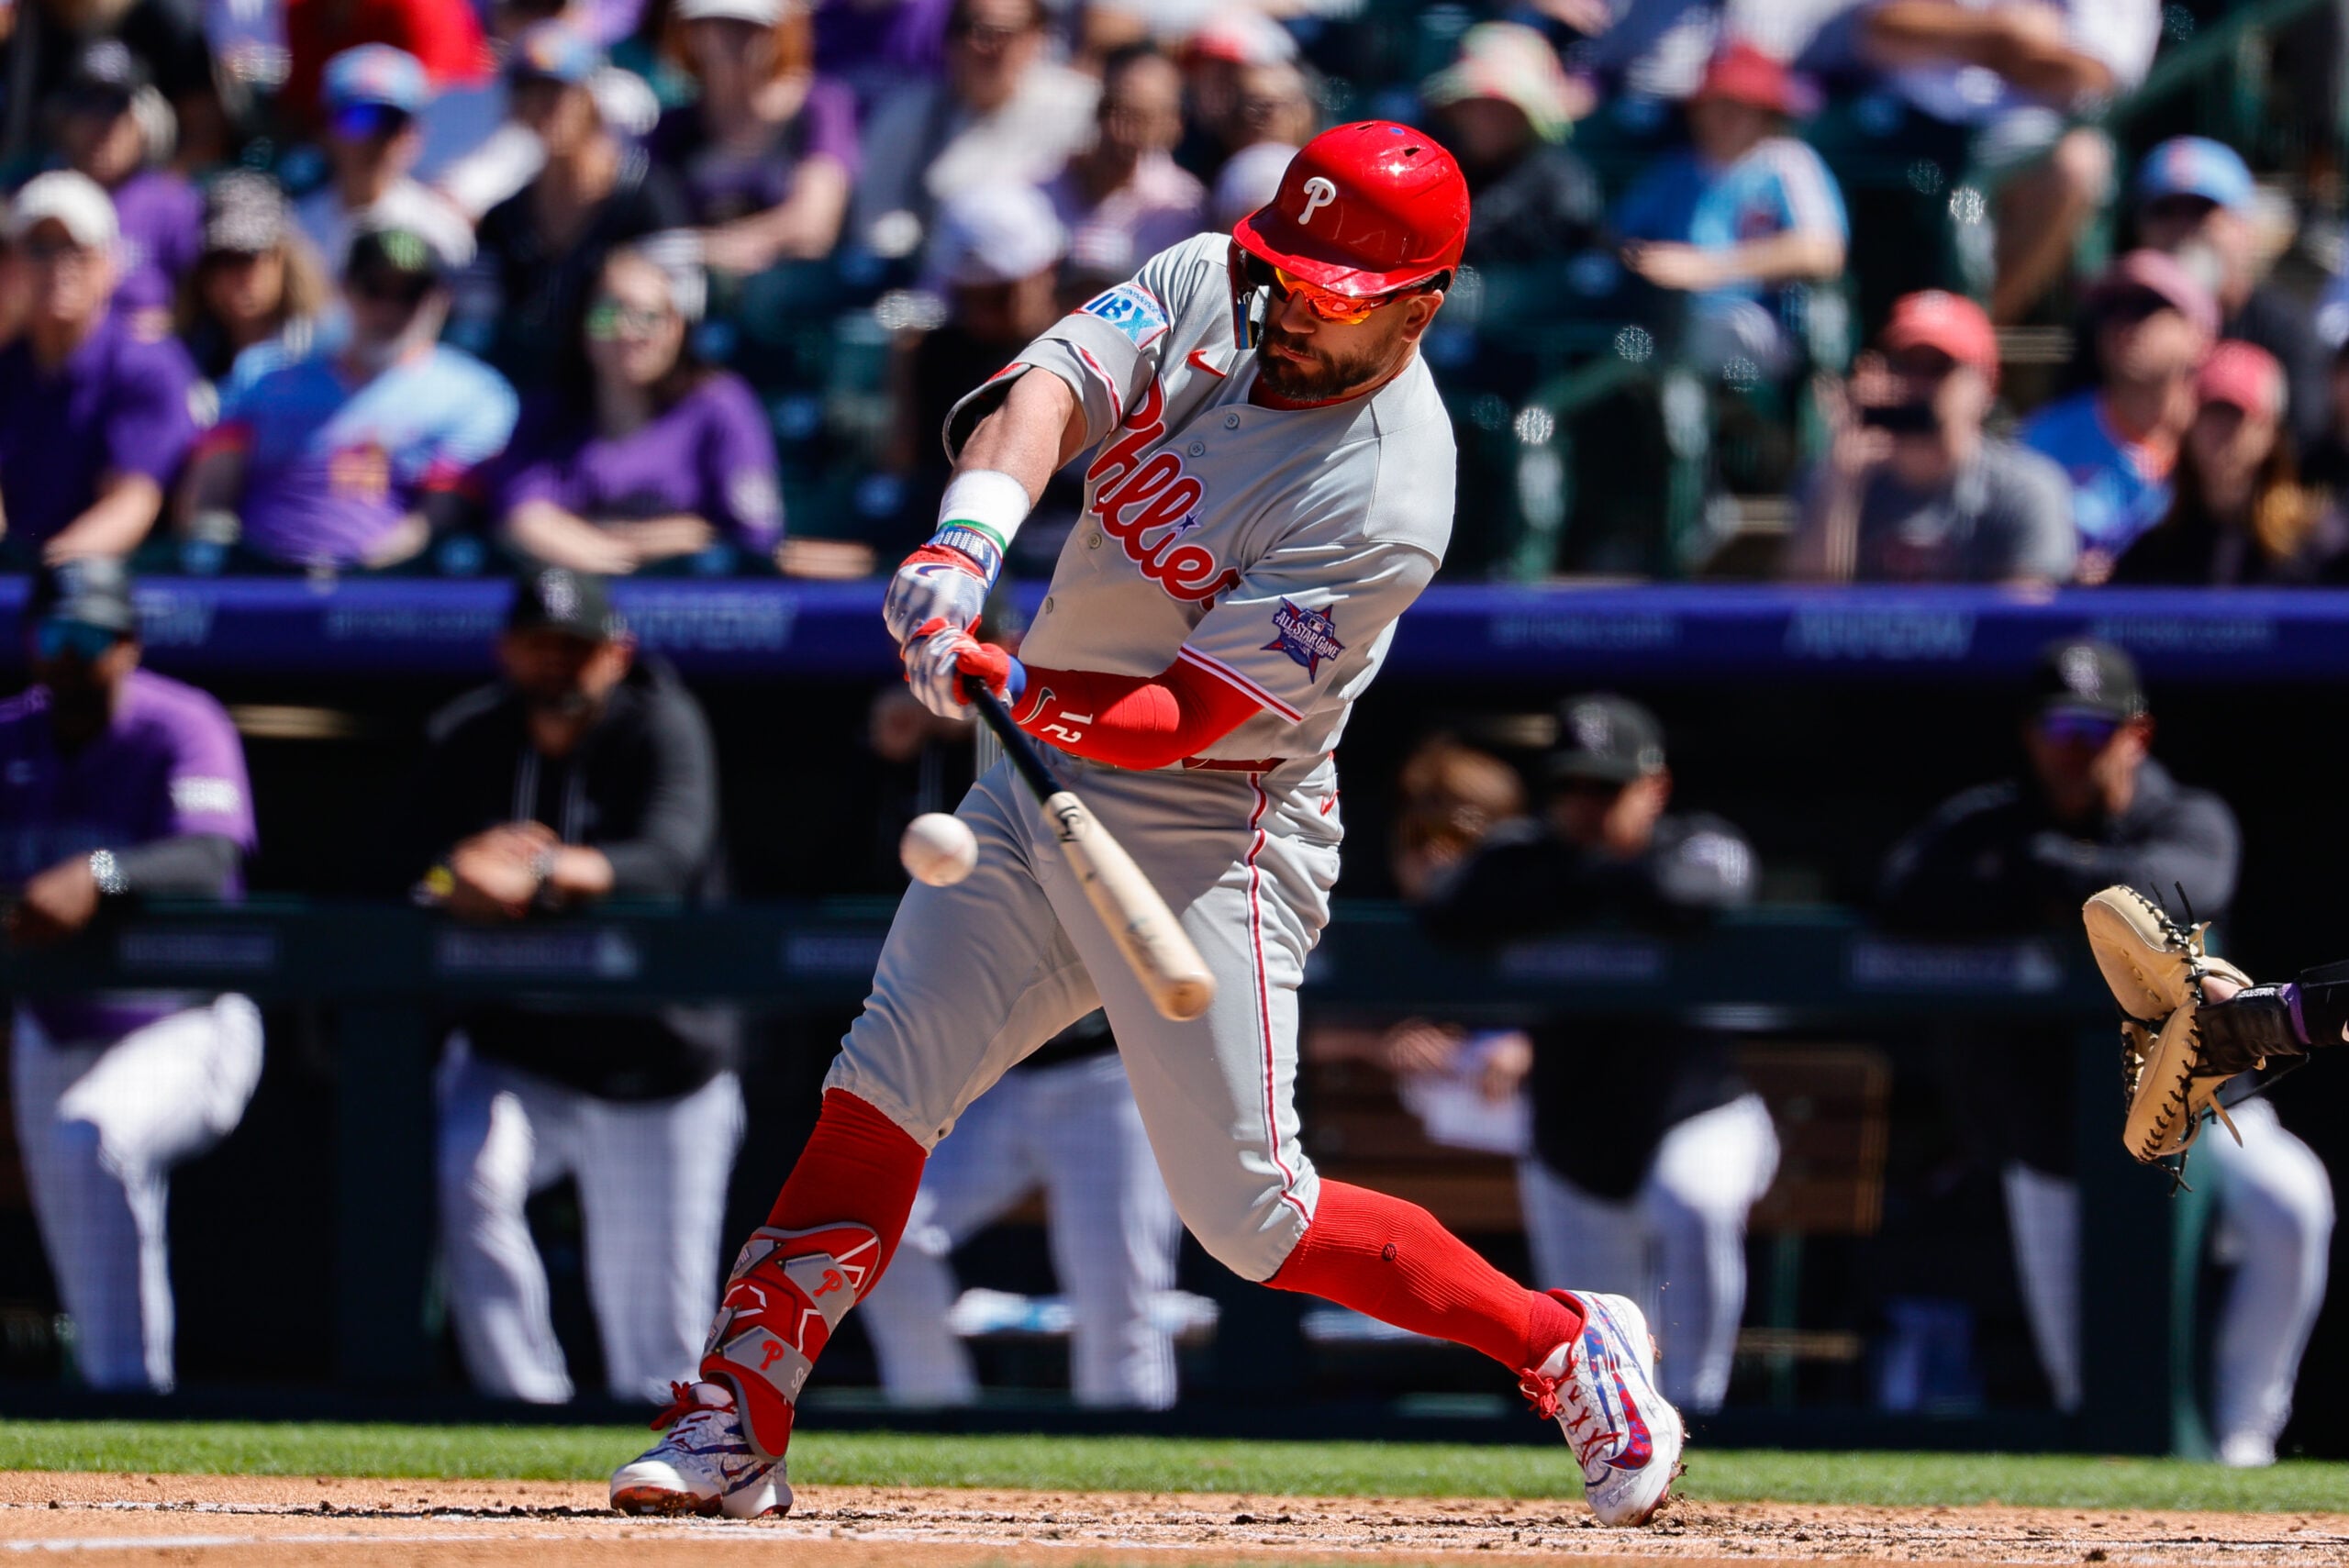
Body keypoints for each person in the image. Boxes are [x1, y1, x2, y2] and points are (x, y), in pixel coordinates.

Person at [609, 122, 1687, 1530]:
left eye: (1337, 301)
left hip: (1212, 825)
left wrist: (999, 676)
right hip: (1026, 783)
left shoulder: (1391, 494)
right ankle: (734, 1417)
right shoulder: (1202, 285)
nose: (1293, 316)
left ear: (1422, 308)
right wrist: (966, 545)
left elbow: (1176, 717)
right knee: (882, 1084)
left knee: (1252, 1217)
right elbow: (1048, 389)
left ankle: (1563, 1346)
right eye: (1282, 279)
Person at [1876, 640, 2328, 1464]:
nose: (2074, 748)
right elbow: (1902, 889)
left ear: (2137, 734)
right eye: (2058, 727)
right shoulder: (1993, 816)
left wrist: (2041, 878)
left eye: (2095, 728)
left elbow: (2178, 886)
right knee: (2085, 1384)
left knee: (2292, 1200)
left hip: (2210, 1115)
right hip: (2053, 1133)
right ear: (2029, 735)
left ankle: (2244, 1437)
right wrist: (2049, 874)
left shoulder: (2186, 813)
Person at [410, 567, 740, 1405]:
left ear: (616, 654)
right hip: (523, 1050)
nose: (556, 664)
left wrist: (545, 870)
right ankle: (526, 1407)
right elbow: (406, 868)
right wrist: (458, 872)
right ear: (506, 651)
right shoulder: (468, 734)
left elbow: (668, 861)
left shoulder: (663, 723)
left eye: (577, 648)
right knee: (467, 1172)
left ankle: (666, 1492)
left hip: (659, 1064)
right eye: (538, 646)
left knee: (657, 1347)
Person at [1418, 695, 1776, 1416]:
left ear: (1655, 787)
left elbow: (1706, 885)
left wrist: (1597, 884)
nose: (1583, 806)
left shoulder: (1692, 838)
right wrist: (1584, 882)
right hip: (1573, 1135)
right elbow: (1448, 902)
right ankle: (1631, 1445)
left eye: (1604, 788)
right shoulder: (1523, 855)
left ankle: (1701, 1413)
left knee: (1697, 1201)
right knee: (1598, 1338)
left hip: (1697, 1110)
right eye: (1569, 788)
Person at [1, 560, 262, 1393]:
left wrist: (102, 871)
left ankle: (134, 1401)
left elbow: (209, 855)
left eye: (93, 638)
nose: (72, 657)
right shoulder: (13, 734)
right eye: (56, 636)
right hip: (53, 1022)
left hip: (186, 1018)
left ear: (129, 645)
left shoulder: (181, 722)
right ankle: (116, 1419)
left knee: (94, 1134)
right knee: (82, 1225)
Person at [854, 1009, 1184, 1408]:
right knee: (885, 1233)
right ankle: (937, 1431)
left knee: (1118, 1295)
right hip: (991, 1073)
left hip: (1108, 1069)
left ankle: (1129, 1459)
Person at [176, 227, 518, 570]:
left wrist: (354, 581)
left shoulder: (475, 394)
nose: (388, 309)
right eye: (374, 289)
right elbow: (209, 495)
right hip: (257, 579)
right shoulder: (263, 374)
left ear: (440, 299)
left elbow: (436, 522)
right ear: (343, 290)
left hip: (390, 591)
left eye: (409, 293)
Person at [1855, 0, 2160, 323]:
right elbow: (1883, 28)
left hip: (2025, 145)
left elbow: (2091, 75)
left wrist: (1963, 37)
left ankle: (1971, 332)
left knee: (2076, 164)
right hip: (1909, 131)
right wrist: (2006, 37)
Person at [496, 246, 784, 573]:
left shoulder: (721, 404)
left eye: (648, 317)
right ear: (582, 327)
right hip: (576, 609)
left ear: (676, 329)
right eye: (607, 314)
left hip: (695, 607)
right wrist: (632, 543)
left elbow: (755, 535)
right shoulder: (548, 411)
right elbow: (522, 520)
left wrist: (581, 531)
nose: (627, 330)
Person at [1783, 289, 2074, 583]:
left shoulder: (2026, 490)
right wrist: (1840, 490)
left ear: (1985, 387)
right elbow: (1808, 618)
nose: (1919, 384)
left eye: (1937, 368)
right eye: (1905, 365)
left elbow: (2023, 621)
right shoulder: (1832, 479)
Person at [471, 20, 694, 389]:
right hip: (533, 401)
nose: (543, 105)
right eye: (528, 89)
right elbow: (479, 330)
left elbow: (681, 313)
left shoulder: (646, 197)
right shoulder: (504, 217)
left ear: (591, 97)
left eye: (558, 89)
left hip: (632, 397)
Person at [1613, 40, 1845, 375]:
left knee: (1701, 338)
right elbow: (1621, 235)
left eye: (1739, 105)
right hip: (1666, 317)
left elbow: (1824, 251)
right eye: (1715, 104)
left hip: (1761, 322)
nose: (1724, 117)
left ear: (1765, 112)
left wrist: (1711, 268)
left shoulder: (1788, 163)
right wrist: (1646, 259)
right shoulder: (1675, 169)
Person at [0, 172, 198, 564]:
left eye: (76, 249)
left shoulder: (147, 366)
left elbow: (132, 503)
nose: (59, 265)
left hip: (120, 594)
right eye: (40, 249)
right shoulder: (8, 364)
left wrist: (41, 578)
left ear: (110, 264)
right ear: (14, 265)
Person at [2021, 250, 2216, 580]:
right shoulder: (2043, 439)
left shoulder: (2228, 433)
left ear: (2198, 334)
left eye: (2145, 308)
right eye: (2111, 310)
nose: (2124, 325)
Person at [852, 0, 1097, 261]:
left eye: (1008, 33)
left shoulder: (1081, 109)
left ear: (1039, 39)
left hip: (1051, 278)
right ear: (950, 40)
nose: (993, 48)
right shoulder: (907, 112)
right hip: (934, 281)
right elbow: (876, 222)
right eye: (978, 31)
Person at [2127, 138, 2328, 453]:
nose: (2183, 228)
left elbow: (2305, 450)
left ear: (2243, 228)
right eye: (2164, 210)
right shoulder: (2114, 323)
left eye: (2201, 210)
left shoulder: (2286, 329)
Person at [888, 183, 1068, 517]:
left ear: (1048, 269)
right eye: (965, 296)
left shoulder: (1085, 352)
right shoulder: (933, 354)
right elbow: (905, 466)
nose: (981, 316)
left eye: (1000, 297)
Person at [649, 0, 859, 276]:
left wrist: (708, 247)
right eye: (717, 23)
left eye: (749, 26)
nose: (733, 38)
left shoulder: (822, 107)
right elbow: (656, 226)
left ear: (781, 31)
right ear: (690, 32)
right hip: (695, 286)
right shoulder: (671, 127)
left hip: (790, 287)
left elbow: (814, 225)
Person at [2111, 342, 2348, 586]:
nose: (2220, 432)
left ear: (2270, 432)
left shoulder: (2320, 546)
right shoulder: (2154, 550)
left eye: (2236, 416)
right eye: (2209, 413)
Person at [43, 39, 201, 329]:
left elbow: (202, 298)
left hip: (142, 363)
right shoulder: (39, 203)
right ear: (64, 120)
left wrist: (174, 324)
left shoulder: (174, 204)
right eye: (87, 104)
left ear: (144, 123)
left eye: (116, 107)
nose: (102, 125)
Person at [1420, 22, 1602, 268]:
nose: (1488, 118)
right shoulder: (1422, 164)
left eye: (1506, 108)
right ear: (1457, 108)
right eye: (1477, 103)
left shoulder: (1563, 187)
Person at [295, 45, 478, 273]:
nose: (373, 136)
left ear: (414, 134)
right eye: (356, 118)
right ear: (324, 130)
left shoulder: (441, 234)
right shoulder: (295, 229)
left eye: (390, 120)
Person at [1045, 45, 1203, 297]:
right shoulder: (1046, 182)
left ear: (1174, 124)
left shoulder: (1183, 205)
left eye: (1142, 118)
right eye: (1113, 109)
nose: (1119, 130)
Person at [176, 172, 334, 390]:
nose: (236, 275)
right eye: (222, 258)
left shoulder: (320, 351)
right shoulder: (186, 353)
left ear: (280, 258)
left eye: (248, 257)